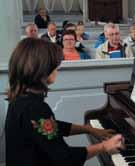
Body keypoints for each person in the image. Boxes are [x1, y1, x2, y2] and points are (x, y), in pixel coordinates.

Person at [5, 38, 124, 166]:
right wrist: (104, 146)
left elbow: (50, 127)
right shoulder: (34, 108)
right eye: (55, 66)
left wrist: (88, 129)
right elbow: (65, 158)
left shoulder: (22, 98)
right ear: (42, 69)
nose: (57, 69)